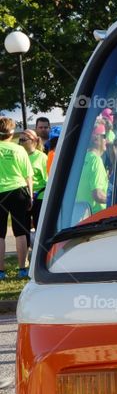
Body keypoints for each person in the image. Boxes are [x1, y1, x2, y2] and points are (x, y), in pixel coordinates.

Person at [0, 116, 34, 278]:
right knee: (20, 232)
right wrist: (31, 196)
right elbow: (28, 176)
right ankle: (22, 269)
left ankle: (1, 272)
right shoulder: (19, 149)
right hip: (18, 190)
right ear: (11, 134)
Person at [73, 122, 108, 219]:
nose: (107, 140)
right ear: (96, 139)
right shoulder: (96, 160)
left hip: (81, 216)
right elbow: (98, 195)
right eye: (104, 136)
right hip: (97, 217)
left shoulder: (81, 158)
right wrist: (116, 200)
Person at [19, 130, 47, 231]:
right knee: (23, 228)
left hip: (39, 197)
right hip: (23, 195)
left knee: (39, 227)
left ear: (32, 141)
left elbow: (47, 179)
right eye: (19, 140)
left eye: (23, 140)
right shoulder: (19, 155)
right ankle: (25, 247)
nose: (20, 143)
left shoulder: (42, 157)